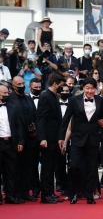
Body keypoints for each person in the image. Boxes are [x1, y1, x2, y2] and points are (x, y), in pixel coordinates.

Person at [58, 77, 103, 205]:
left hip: (93, 139)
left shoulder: (100, 101)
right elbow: (66, 119)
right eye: (87, 88)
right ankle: (73, 193)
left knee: (92, 168)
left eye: (92, 88)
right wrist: (61, 137)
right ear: (83, 88)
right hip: (77, 139)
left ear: (96, 89)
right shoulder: (74, 100)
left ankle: (89, 194)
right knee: (74, 167)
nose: (90, 91)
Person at [37, 73, 66, 204]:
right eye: (61, 85)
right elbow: (41, 118)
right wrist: (42, 138)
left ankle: (50, 192)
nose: (62, 87)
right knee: (47, 168)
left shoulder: (54, 97)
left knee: (52, 167)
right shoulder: (45, 97)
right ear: (55, 84)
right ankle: (45, 195)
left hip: (55, 138)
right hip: (47, 139)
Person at [8, 76, 38, 203]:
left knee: (28, 166)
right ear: (13, 86)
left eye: (22, 83)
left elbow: (34, 115)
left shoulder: (28, 98)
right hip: (15, 138)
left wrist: (34, 130)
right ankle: (15, 193)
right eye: (18, 84)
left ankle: (25, 192)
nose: (21, 85)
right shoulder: (9, 99)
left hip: (30, 137)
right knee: (15, 168)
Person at [0, 84, 24, 204]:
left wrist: (20, 141)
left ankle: (10, 195)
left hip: (10, 142)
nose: (7, 95)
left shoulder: (13, 108)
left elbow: (18, 126)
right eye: (4, 93)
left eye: (7, 93)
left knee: (11, 171)